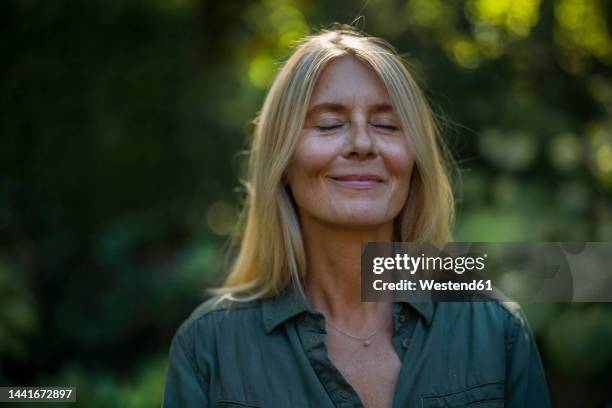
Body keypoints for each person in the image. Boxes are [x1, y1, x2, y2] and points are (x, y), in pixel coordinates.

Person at [162, 26, 551, 407]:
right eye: (330, 124)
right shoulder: (208, 348)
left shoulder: (495, 331)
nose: (363, 144)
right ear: (281, 161)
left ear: (414, 161)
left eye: (386, 125)